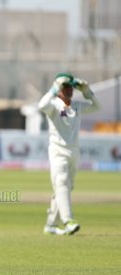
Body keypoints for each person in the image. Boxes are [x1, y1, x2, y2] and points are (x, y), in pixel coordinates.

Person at [38, 73, 100, 235]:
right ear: (59, 88)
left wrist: (87, 91)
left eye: (71, 87)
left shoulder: (77, 105)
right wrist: (54, 87)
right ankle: (69, 221)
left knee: (64, 188)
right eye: (65, 87)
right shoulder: (53, 105)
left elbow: (97, 107)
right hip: (58, 151)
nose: (69, 90)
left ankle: (50, 225)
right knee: (62, 182)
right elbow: (41, 105)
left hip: (74, 151)